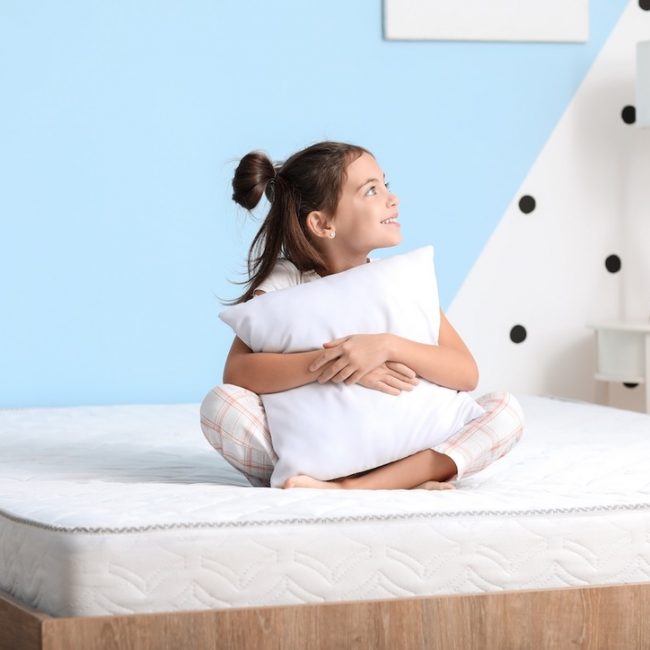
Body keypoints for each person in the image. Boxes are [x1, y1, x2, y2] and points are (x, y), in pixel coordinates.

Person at [204, 141, 523, 490]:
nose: (392, 198)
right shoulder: (284, 282)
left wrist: (385, 347)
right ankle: (337, 474)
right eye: (371, 190)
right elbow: (238, 373)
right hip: (320, 438)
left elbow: (466, 374)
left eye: (386, 184)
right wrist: (339, 364)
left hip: (402, 444)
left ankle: (354, 487)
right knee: (221, 407)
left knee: (505, 412)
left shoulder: (399, 280)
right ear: (323, 224)